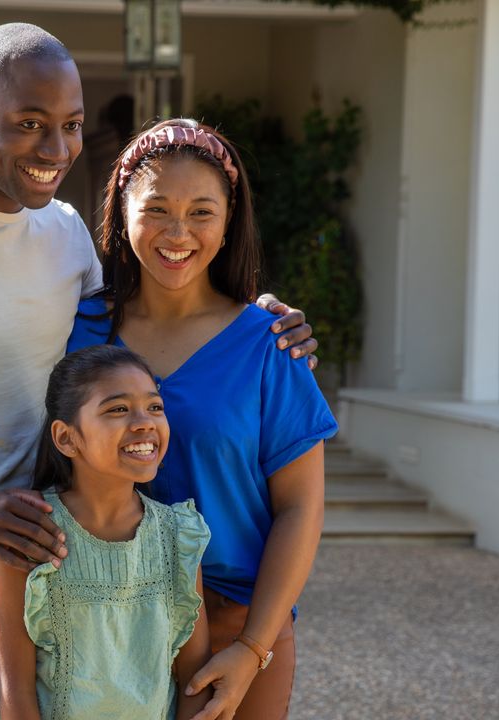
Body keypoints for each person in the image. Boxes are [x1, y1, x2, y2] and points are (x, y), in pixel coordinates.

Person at [0, 23, 316, 720]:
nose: (55, 149)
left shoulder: (66, 236)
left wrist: (261, 319)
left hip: (64, 579)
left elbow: (164, 302)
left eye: (70, 126)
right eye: (29, 124)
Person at [67, 119, 338, 720]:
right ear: (122, 209)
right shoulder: (77, 329)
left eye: (202, 212)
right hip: (101, 617)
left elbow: (301, 507)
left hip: (235, 627)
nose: (178, 232)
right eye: (157, 208)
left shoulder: (271, 345)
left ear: (229, 217)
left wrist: (252, 647)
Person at [0, 344, 214, 720]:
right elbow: (15, 695)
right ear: (66, 438)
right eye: (118, 409)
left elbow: (193, 681)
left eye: (155, 407)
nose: (145, 422)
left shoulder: (179, 537)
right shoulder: (26, 532)